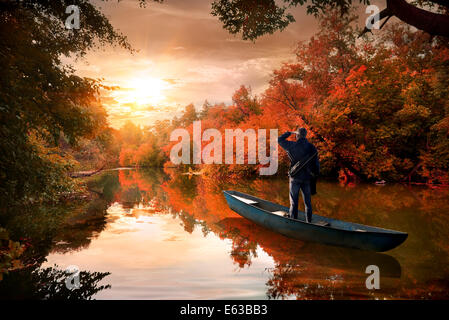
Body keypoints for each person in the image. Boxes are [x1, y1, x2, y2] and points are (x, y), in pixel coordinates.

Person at [278, 127, 319, 223]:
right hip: (307, 178)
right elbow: (316, 165)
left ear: (297, 135)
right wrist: (315, 175)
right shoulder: (312, 147)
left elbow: (279, 140)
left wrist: (289, 133)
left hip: (295, 177)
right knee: (308, 203)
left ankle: (293, 222)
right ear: (305, 135)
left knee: (294, 202)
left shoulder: (292, 145)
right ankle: (309, 222)